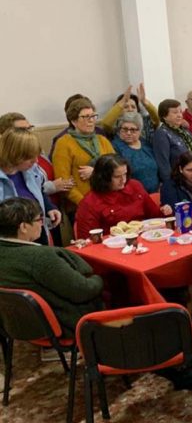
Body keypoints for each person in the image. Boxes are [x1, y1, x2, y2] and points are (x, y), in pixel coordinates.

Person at [0, 197, 103, 338]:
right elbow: (83, 290)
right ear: (23, 227)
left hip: (15, 324)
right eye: (39, 220)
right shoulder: (42, 257)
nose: (42, 224)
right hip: (61, 324)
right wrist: (101, 278)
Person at [75, 154, 171, 238]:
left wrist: (163, 211)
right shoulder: (90, 202)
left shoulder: (135, 186)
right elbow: (87, 240)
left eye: (125, 174)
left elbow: (154, 215)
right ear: (103, 178)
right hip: (111, 249)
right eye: (117, 177)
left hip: (144, 240)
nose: (123, 180)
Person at [0, 128, 61, 245]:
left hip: (37, 231)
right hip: (12, 241)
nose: (36, 161)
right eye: (30, 158)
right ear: (14, 155)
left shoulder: (30, 170)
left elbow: (39, 191)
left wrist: (49, 208)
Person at [51, 98, 115, 208]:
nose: (91, 120)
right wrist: (86, 204)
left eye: (93, 116)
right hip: (81, 204)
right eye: (85, 117)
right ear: (74, 121)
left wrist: (96, 172)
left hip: (109, 199)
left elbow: (116, 168)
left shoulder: (102, 140)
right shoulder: (64, 143)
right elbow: (64, 183)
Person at [112, 112, 159, 193]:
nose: (128, 133)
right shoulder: (115, 146)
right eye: (125, 129)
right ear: (119, 129)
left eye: (133, 130)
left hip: (155, 192)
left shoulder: (145, 143)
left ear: (140, 131)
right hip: (132, 195)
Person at [49, 94, 107, 159]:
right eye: (86, 116)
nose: (91, 120)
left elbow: (114, 162)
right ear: (73, 119)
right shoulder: (61, 140)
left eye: (92, 116)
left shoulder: (100, 134)